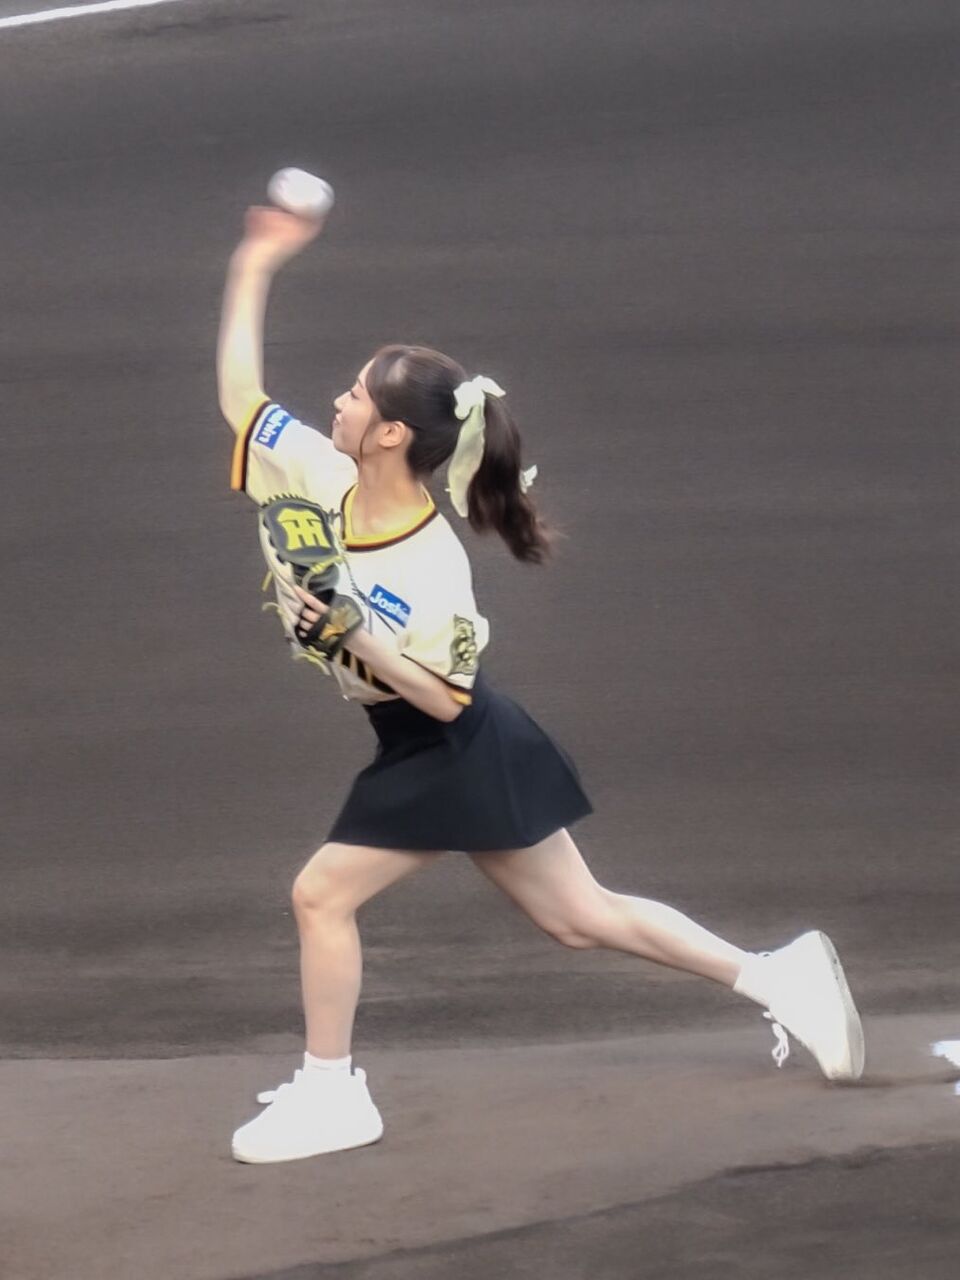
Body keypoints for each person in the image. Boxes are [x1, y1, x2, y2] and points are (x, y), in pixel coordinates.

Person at [217, 203, 865, 1166]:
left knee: (321, 895)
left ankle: (332, 1092)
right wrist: (256, 260)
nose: (337, 404)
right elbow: (241, 395)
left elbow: (443, 698)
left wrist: (353, 632)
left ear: (390, 433)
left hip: (448, 740)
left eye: (354, 396)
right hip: (449, 742)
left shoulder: (431, 563)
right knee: (579, 917)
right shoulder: (319, 473)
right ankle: (779, 977)